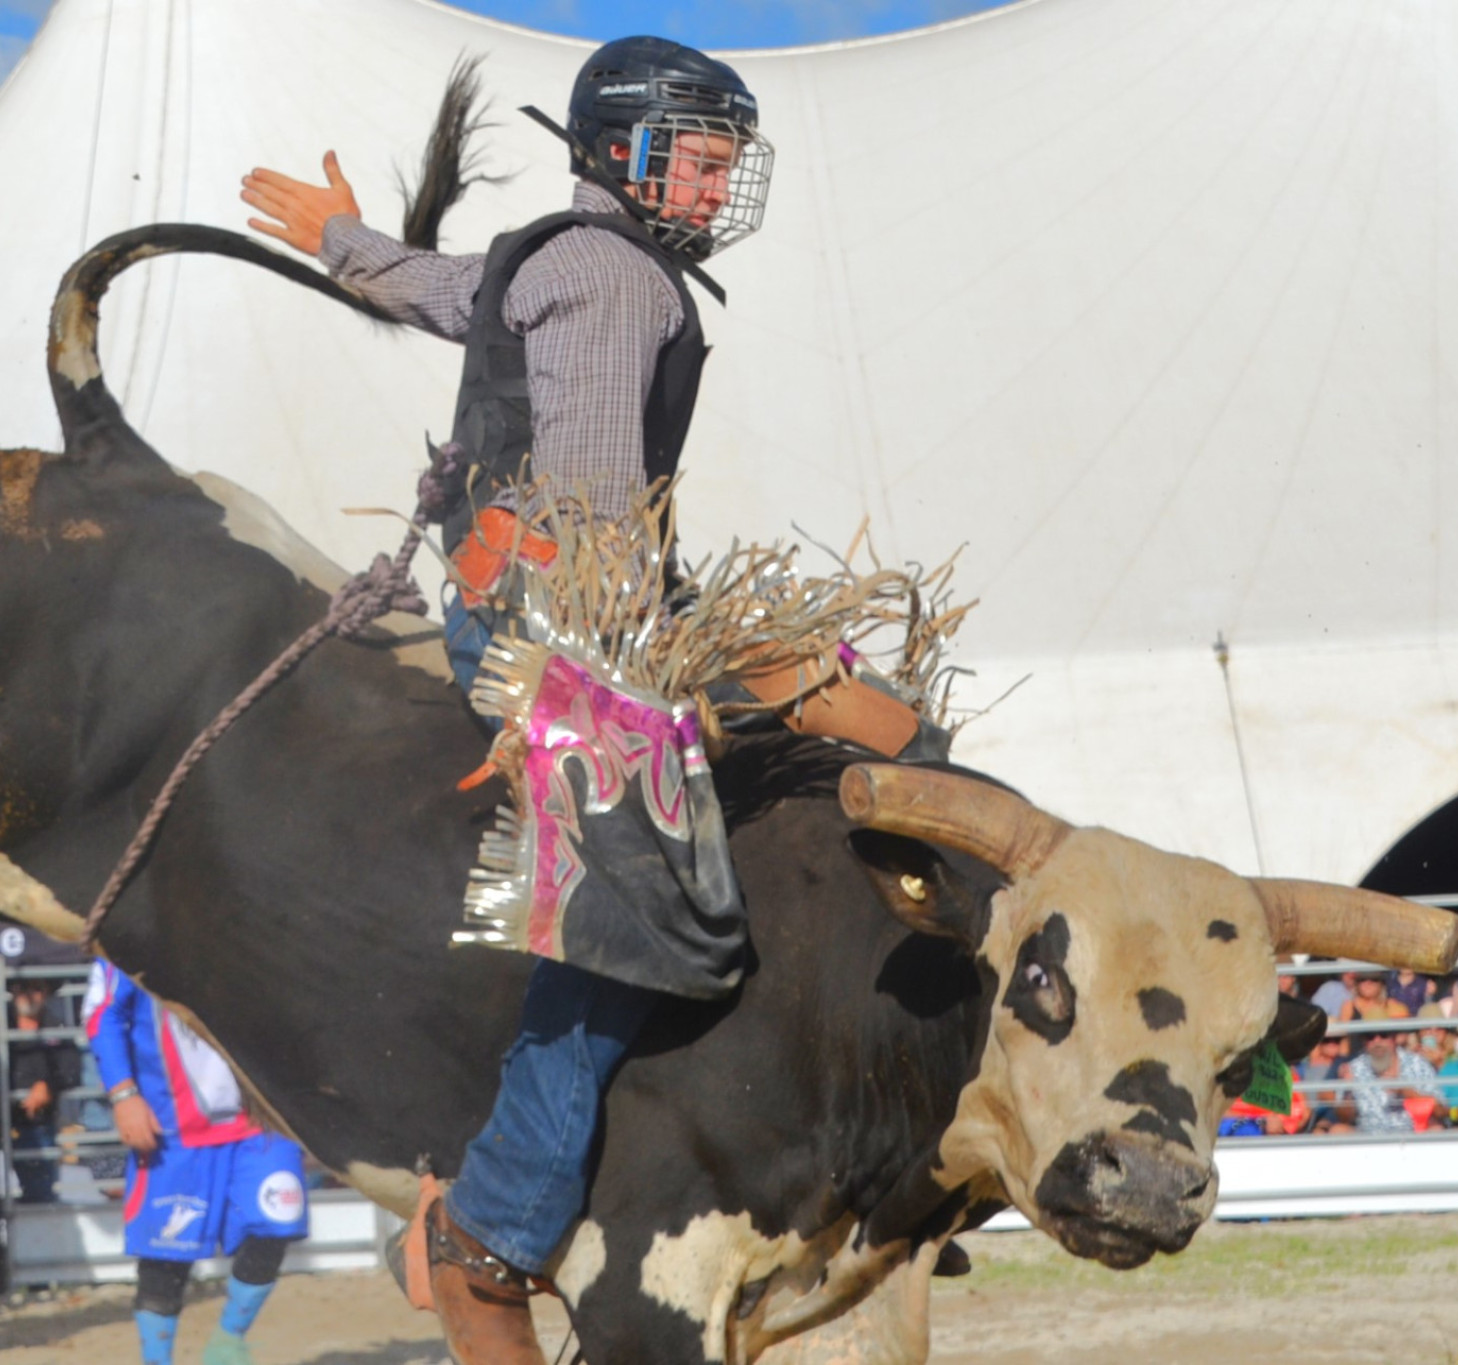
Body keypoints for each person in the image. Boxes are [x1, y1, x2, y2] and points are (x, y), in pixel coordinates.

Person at [245, 39, 939, 1360]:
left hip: (536, 606)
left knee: (859, 739)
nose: (727, 175)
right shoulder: (621, 282)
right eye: (705, 150)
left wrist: (343, 238)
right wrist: (674, 681)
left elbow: (442, 292)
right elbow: (595, 529)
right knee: (638, 923)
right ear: (625, 151)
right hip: (571, 628)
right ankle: (490, 1235)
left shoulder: (549, 252)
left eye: (731, 153)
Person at [84, 961, 308, 1365]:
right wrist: (123, 1095)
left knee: (277, 1221)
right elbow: (103, 1011)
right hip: (172, 1128)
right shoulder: (136, 922)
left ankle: (227, 1344)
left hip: (261, 1117)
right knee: (164, 1258)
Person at [7, 978, 81, 1204]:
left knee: (39, 1189)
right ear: (12, 991)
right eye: (22, 988)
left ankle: (34, 1208)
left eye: (36, 989)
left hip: (34, 1121)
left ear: (47, 993)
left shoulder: (56, 1027)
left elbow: (72, 1070)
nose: (29, 995)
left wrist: (47, 1086)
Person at [1338, 1028, 1443, 1134]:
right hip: (1368, 1137)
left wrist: (1407, 1092)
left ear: (1394, 1038)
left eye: (1383, 1035)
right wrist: (1348, 1091)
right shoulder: (1354, 1068)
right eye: (1370, 1037)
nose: (1377, 1042)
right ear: (1364, 1041)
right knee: (1338, 1131)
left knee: (1437, 1130)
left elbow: (1440, 1110)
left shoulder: (1418, 1064)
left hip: (1412, 1135)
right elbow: (1344, 1118)